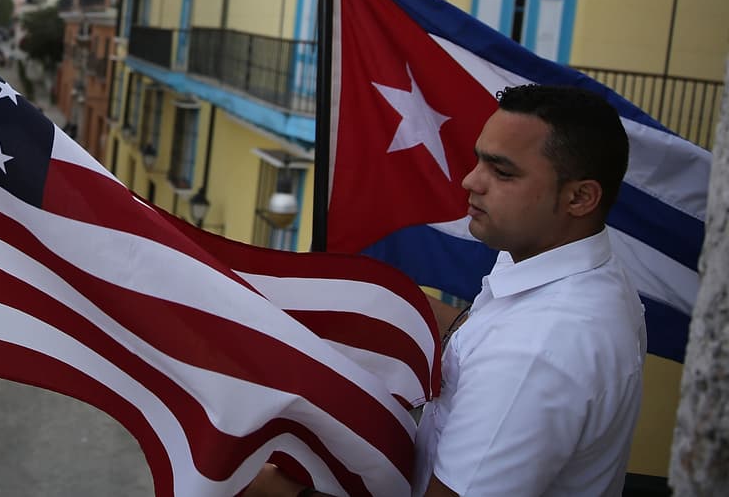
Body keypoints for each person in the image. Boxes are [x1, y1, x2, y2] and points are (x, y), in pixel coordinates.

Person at [246, 84, 646, 497]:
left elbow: (515, 354)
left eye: (503, 172)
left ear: (580, 197)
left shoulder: (536, 352)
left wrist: (282, 492)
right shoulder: (569, 263)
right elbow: (489, 335)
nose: (471, 181)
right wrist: (364, 301)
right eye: (478, 161)